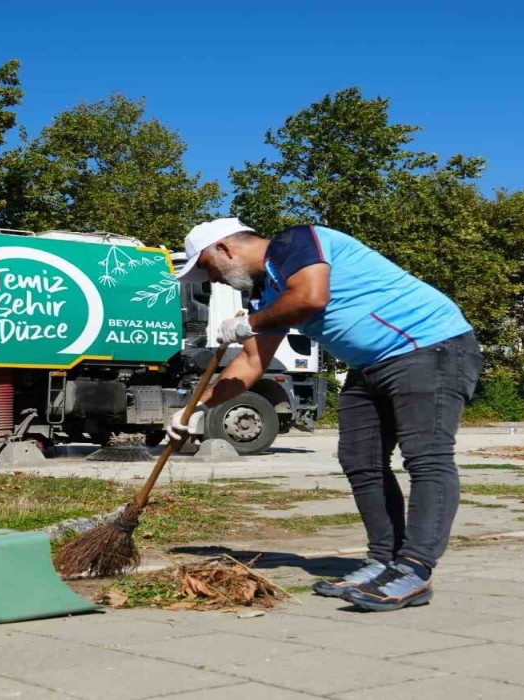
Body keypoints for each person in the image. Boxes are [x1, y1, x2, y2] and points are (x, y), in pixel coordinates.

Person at [167, 219, 481, 612]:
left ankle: (414, 569)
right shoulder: (266, 294)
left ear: (225, 249)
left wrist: (249, 323)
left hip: (428, 345)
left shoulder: (295, 242)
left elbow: (311, 298)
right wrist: (197, 408)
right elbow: (251, 363)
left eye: (209, 269)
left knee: (426, 457)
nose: (215, 281)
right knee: (360, 460)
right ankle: (383, 561)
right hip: (369, 365)